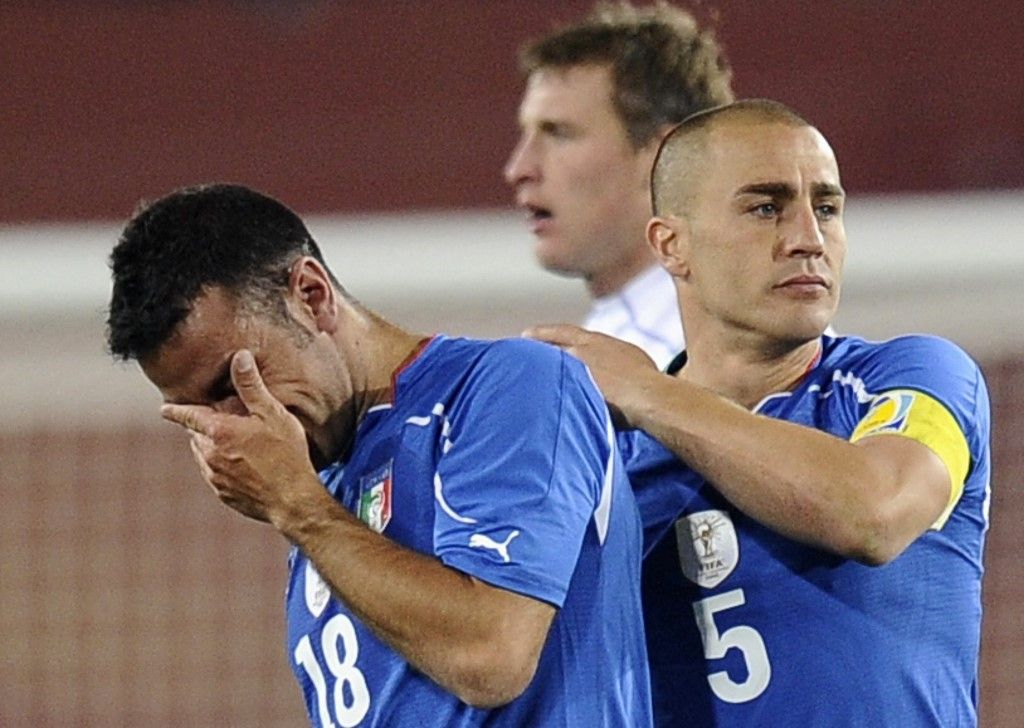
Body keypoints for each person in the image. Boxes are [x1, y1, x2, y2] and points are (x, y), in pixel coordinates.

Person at [105, 184, 653, 727]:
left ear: (312, 295)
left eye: (235, 380)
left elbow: (491, 657)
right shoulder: (326, 503)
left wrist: (299, 509)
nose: (232, 428)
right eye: (195, 412)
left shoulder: (508, 387)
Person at [528, 99, 991, 725]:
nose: (808, 239)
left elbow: (875, 514)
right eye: (765, 208)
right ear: (672, 245)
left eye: (826, 208)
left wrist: (649, 393)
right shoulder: (607, 472)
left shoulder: (914, 379)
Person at [505, 0, 734, 368]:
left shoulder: (695, 362)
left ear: (663, 158)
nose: (518, 168)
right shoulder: (621, 338)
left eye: (559, 134)